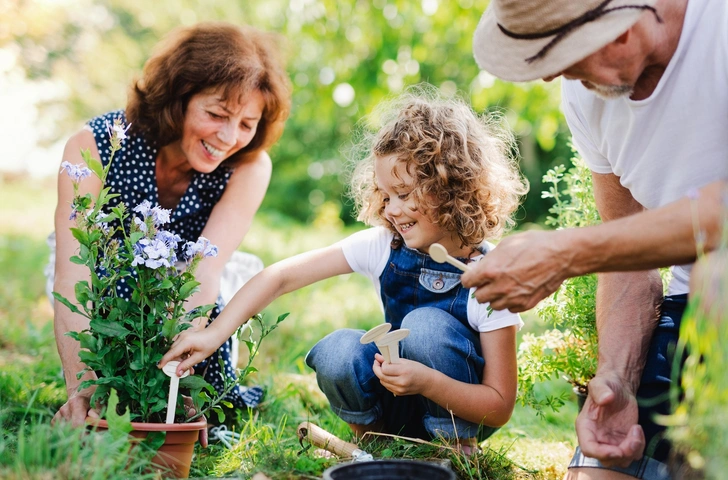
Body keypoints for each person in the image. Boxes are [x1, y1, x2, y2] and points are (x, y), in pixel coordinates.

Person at [160, 90, 528, 450]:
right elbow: (280, 277)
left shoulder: (489, 277)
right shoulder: (385, 246)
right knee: (338, 350)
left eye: (404, 194)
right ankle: (373, 439)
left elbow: (498, 406)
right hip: (396, 395)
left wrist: (427, 382)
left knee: (427, 328)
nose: (392, 210)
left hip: (458, 408)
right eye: (385, 196)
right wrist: (213, 335)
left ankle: (456, 447)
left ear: (450, 189)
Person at [469, 0, 728, 478]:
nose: (553, 78)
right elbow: (628, 254)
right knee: (599, 471)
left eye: (563, 58)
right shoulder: (587, 96)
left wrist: (566, 253)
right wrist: (617, 378)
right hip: (694, 312)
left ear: (621, 33)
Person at [51, 21, 291, 428]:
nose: (230, 137)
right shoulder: (92, 144)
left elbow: (205, 269)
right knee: (107, 381)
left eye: (247, 124)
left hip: (185, 295)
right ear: (179, 100)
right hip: (105, 287)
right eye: (216, 114)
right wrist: (82, 387)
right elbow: (72, 270)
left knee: (206, 397)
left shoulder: (249, 166)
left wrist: (174, 365)